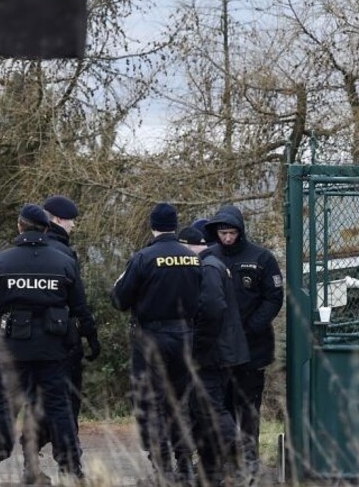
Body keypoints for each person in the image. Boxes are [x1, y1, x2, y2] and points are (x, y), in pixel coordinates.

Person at [0, 204, 88, 487]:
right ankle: (71, 470)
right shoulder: (63, 261)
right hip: (53, 349)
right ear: (47, 228)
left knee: (4, 408)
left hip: (14, 348)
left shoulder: (1, 261)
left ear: (19, 226)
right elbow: (79, 308)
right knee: (59, 409)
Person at [112, 203, 220, 486]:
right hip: (185, 336)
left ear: (152, 225)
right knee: (180, 403)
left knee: (152, 404)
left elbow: (120, 299)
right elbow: (202, 299)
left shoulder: (144, 258)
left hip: (152, 339)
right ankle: (184, 463)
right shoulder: (193, 258)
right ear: (175, 225)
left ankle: (162, 468)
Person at [18, 195, 100, 484]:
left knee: (36, 402)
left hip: (25, 340)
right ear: (56, 220)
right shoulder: (63, 254)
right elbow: (78, 302)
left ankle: (31, 463)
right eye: (70, 221)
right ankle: (70, 467)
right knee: (65, 404)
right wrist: (90, 335)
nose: (74, 226)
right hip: (62, 340)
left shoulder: (23, 250)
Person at [203, 205, 284, 477]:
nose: (227, 238)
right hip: (220, 349)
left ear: (240, 231)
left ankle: (250, 459)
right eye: (223, 233)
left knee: (248, 406)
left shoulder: (261, 258)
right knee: (221, 406)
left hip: (253, 347)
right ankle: (225, 458)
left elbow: (273, 297)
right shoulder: (209, 256)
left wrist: (250, 327)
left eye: (231, 232)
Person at [178, 225, 249, 486]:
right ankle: (210, 473)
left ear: (190, 246)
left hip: (213, 355)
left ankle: (238, 450)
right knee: (203, 410)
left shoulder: (207, 268)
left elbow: (212, 308)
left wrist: (198, 347)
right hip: (222, 351)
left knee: (211, 408)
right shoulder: (215, 264)